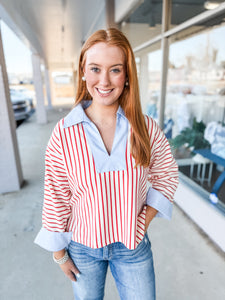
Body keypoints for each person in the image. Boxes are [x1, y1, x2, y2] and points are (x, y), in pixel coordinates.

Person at [34, 28, 179, 300]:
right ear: (83, 72)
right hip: (82, 249)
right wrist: (59, 254)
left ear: (126, 76)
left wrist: (142, 222)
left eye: (115, 69)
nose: (104, 80)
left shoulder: (144, 127)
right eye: (95, 68)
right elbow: (56, 195)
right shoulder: (65, 132)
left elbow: (167, 175)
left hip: (132, 248)